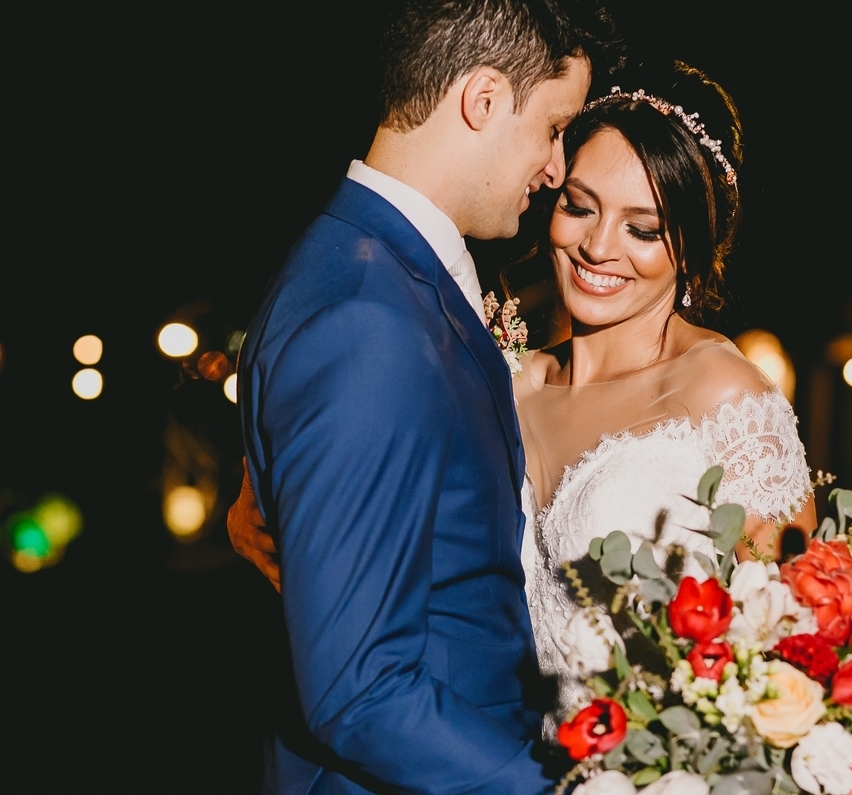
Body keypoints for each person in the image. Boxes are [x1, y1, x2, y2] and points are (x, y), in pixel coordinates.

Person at [232, 62, 817, 739]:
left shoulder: (722, 392)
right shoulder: (504, 380)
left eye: (643, 228)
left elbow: (801, 644)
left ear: (689, 247)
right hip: (493, 763)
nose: (598, 246)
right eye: (580, 206)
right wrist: (258, 493)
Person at [233, 0, 615, 793]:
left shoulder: (375, 270)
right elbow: (359, 692)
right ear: (481, 99)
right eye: (552, 127)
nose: (555, 167)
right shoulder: (367, 320)